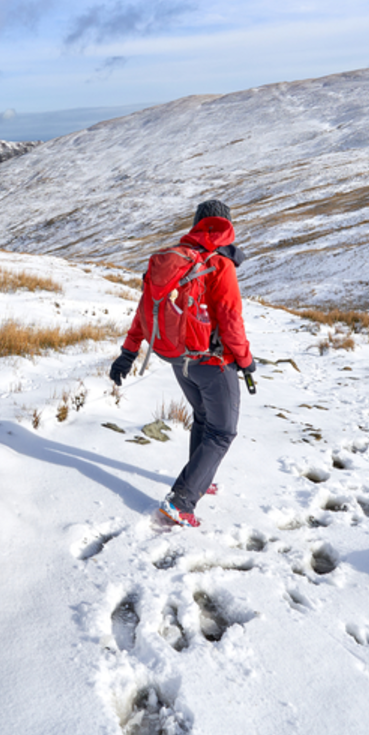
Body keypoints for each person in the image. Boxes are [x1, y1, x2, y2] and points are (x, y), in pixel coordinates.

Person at [109, 199, 254, 528]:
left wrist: (128, 352)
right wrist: (245, 362)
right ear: (226, 226)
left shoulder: (173, 259)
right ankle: (182, 501)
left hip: (178, 360)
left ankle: (199, 479)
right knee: (222, 432)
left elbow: (146, 312)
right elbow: (231, 321)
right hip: (212, 362)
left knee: (203, 420)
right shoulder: (219, 263)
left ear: (197, 223)